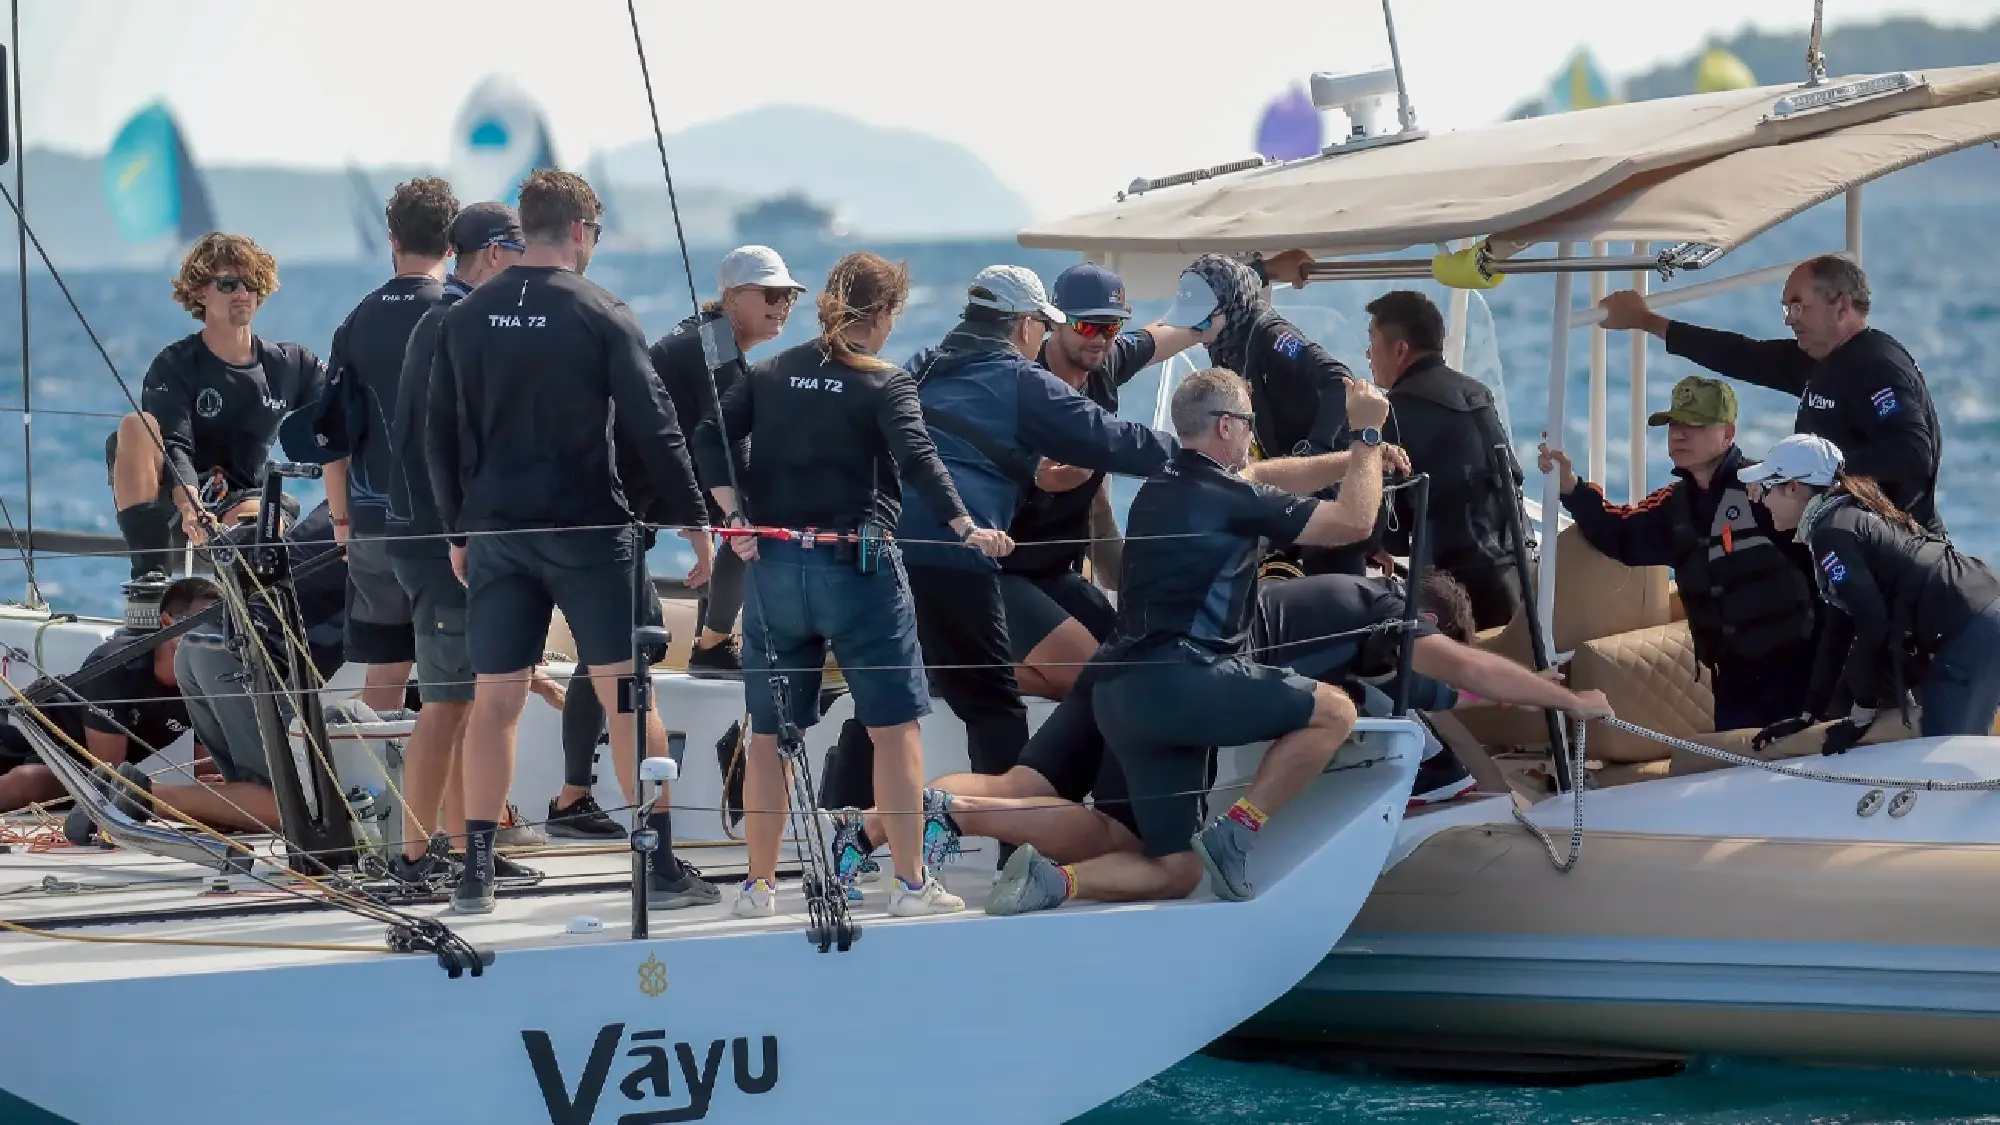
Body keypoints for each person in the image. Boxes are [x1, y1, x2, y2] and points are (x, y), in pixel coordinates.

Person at [835, 569, 1614, 877]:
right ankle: (957, 814)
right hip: (1167, 689)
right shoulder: (1392, 610)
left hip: (1123, 656)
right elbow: (1464, 672)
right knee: (1128, 843)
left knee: (1022, 782)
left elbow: (1448, 696)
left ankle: (873, 829)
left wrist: (1529, 692)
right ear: (1431, 616)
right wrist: (1572, 704)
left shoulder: (1333, 598)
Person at [983, 366, 1395, 914]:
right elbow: (1353, 522)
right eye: (1247, 423)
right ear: (1226, 426)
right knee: (1335, 712)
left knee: (1175, 870)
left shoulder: (1164, 482)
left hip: (1124, 693)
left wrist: (1353, 462)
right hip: (1184, 682)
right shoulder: (1226, 495)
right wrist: (1366, 434)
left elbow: (1264, 475)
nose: (1251, 435)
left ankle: (1052, 881)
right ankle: (1238, 832)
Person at [425, 169, 715, 915]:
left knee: (496, 701)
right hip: (587, 530)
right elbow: (656, 427)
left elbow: (436, 435)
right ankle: (658, 863)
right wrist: (695, 524)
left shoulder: (464, 316)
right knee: (627, 693)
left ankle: (476, 869)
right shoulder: (603, 311)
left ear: (526, 230)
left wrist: (457, 529)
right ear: (583, 231)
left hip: (495, 531)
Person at [691, 250, 1012, 919]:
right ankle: (909, 884)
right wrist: (966, 526)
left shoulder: (775, 370)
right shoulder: (884, 381)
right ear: (887, 313)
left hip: (775, 569)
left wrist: (733, 518)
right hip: (857, 572)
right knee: (895, 731)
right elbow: (919, 460)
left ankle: (756, 888)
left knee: (770, 736)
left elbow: (706, 438)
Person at [888, 264, 1177, 784]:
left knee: (1120, 663)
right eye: (1045, 327)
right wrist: (1204, 459)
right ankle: (1014, 839)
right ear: (1025, 326)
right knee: (997, 706)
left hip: (893, 553)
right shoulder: (1022, 380)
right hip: (965, 559)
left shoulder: (921, 366)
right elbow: (1112, 440)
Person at [1536, 376, 1821, 732]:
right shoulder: (1673, 507)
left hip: (1803, 672)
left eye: (1695, 425)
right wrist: (1571, 488)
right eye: (1673, 425)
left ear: (1728, 433)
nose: (1679, 434)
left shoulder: (1767, 491)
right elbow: (1620, 533)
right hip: (1732, 683)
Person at [382, 201, 529, 879]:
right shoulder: (455, 323)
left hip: (436, 534)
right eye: (521, 249)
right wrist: (461, 533)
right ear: (495, 253)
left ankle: (459, 849)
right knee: (444, 701)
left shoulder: (443, 320)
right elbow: (446, 443)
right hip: (443, 542)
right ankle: (415, 856)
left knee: (465, 699)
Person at [1598, 253, 1945, 536]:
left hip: (1898, 552)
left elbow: (1913, 453)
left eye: (1798, 306)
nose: (1789, 320)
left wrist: (1816, 473)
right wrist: (1647, 321)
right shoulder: (1818, 362)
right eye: (1785, 308)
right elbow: (1739, 354)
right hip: (1849, 544)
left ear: (1841, 306)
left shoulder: (1877, 365)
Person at [282, 176, 461, 716]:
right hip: (438, 532)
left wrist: (341, 522)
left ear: (392, 239)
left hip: (368, 524)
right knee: (449, 678)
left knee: (387, 670)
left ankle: (381, 791)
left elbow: (333, 434)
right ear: (452, 245)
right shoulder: (457, 316)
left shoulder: (356, 320)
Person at [1003, 261, 1217, 699]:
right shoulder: (1020, 386)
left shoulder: (1103, 362)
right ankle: (952, 670)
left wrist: (1235, 297)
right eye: (1087, 325)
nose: (1100, 339)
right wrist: (1034, 480)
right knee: (1089, 678)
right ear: (1054, 321)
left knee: (1140, 662)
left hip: (1056, 574)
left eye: (1112, 327)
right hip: (1000, 574)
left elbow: (1165, 334)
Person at [1744, 434, 2000, 748]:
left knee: (1947, 754)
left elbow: (1872, 625)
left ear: (1794, 487)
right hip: (1982, 608)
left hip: (1972, 628)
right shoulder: (1844, 514)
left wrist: (1862, 711)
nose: (1763, 500)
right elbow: (1839, 627)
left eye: (1768, 488)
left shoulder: (1830, 533)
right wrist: (1809, 712)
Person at [107, 234, 326, 579]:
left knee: (256, 529)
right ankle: (148, 582)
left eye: (250, 283)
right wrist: (190, 505)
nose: (242, 293)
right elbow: (176, 446)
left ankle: (254, 620)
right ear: (199, 292)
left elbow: (338, 417)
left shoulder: (291, 364)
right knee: (136, 425)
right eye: (228, 284)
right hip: (173, 502)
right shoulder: (174, 364)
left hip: (241, 498)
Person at [645, 245, 806, 678]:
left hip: (654, 480)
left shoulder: (708, 335)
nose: (783, 306)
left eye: (789, 297)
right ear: (733, 297)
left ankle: (713, 637)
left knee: (741, 500)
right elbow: (734, 450)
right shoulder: (715, 349)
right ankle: (714, 643)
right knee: (754, 509)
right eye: (771, 295)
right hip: (639, 489)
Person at [1364, 289, 1527, 630]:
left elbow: (1394, 534)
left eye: (1373, 341)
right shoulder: (1477, 393)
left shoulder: (1396, 410)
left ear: (1400, 350)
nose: (1368, 354)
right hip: (1517, 577)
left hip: (1458, 598)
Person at [0, 578, 217, 813]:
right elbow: (108, 774)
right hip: (26, 731)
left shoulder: (211, 680)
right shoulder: (115, 664)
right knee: (24, 784)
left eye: (221, 624)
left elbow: (209, 776)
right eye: (203, 622)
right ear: (167, 622)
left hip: (76, 768)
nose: (214, 633)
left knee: (29, 783)